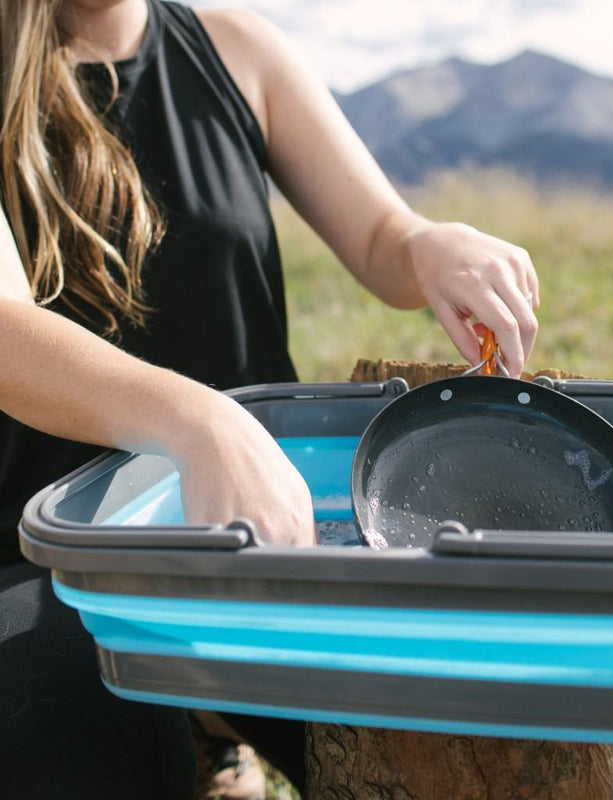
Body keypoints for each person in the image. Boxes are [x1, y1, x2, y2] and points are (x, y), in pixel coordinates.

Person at [0, 1, 539, 798]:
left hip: (268, 535)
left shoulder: (236, 46)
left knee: (460, 735)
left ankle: (210, 716)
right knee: (70, 741)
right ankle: (191, 722)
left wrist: (428, 244)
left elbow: (377, 238)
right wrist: (199, 420)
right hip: (49, 560)